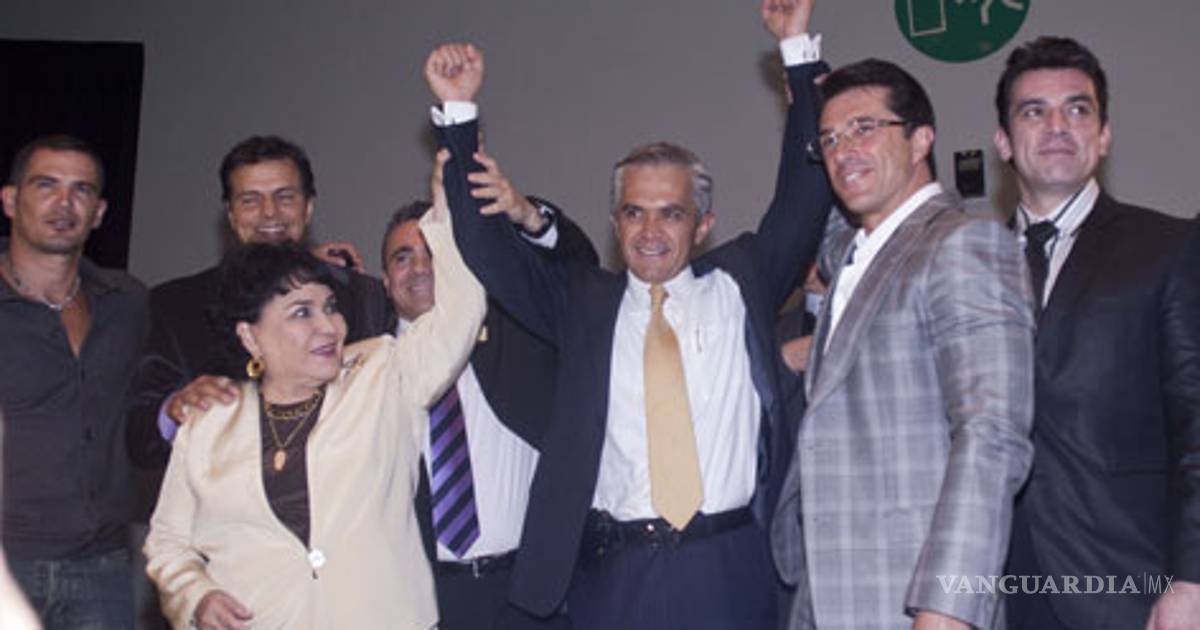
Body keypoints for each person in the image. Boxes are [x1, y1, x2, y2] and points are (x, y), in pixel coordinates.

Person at [425, 1, 832, 626]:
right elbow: (487, 250)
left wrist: (796, 48)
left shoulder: (742, 282)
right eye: (634, 212)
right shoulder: (584, 303)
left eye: (671, 213)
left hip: (728, 565)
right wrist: (458, 113)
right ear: (615, 223)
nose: (650, 231)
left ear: (703, 224)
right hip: (615, 575)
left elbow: (805, 195)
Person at [143, 159, 485, 629]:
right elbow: (167, 542)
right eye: (301, 313)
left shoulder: (382, 373)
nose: (329, 326)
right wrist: (195, 596)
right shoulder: (210, 420)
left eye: (330, 307)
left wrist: (448, 204)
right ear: (250, 336)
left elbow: (462, 307)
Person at [770, 57, 1036, 630]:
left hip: (914, 598)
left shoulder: (964, 245)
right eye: (830, 139)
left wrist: (947, 608)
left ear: (921, 140)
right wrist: (798, 60)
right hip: (826, 595)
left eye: (865, 128)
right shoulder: (854, 252)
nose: (844, 150)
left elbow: (991, 435)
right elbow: (814, 216)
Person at [992, 37, 1200, 630]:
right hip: (993, 586)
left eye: (1077, 109)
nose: (1057, 125)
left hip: (1126, 580)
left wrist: (1192, 579)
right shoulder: (969, 262)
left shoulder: (1168, 247)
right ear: (1004, 141)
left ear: (1104, 135)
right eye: (1034, 111)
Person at [383, 182, 596, 628]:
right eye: (402, 257)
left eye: (433, 251)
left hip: (528, 591)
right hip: (426, 600)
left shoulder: (518, 329)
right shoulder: (366, 369)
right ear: (385, 281)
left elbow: (577, 274)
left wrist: (528, 215)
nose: (420, 267)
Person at [127, 135, 388, 471]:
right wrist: (173, 410)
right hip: (221, 499)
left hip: (342, 494)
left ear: (308, 207)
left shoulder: (362, 297)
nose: (269, 212)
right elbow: (140, 438)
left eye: (285, 197)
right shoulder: (176, 305)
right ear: (231, 214)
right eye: (250, 200)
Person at [0, 134, 149, 628]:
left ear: (99, 212)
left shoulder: (127, 301)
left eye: (81, 190)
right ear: (10, 200)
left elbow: (214, 313)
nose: (64, 203)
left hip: (103, 568)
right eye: (46, 185)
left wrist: (298, 264)